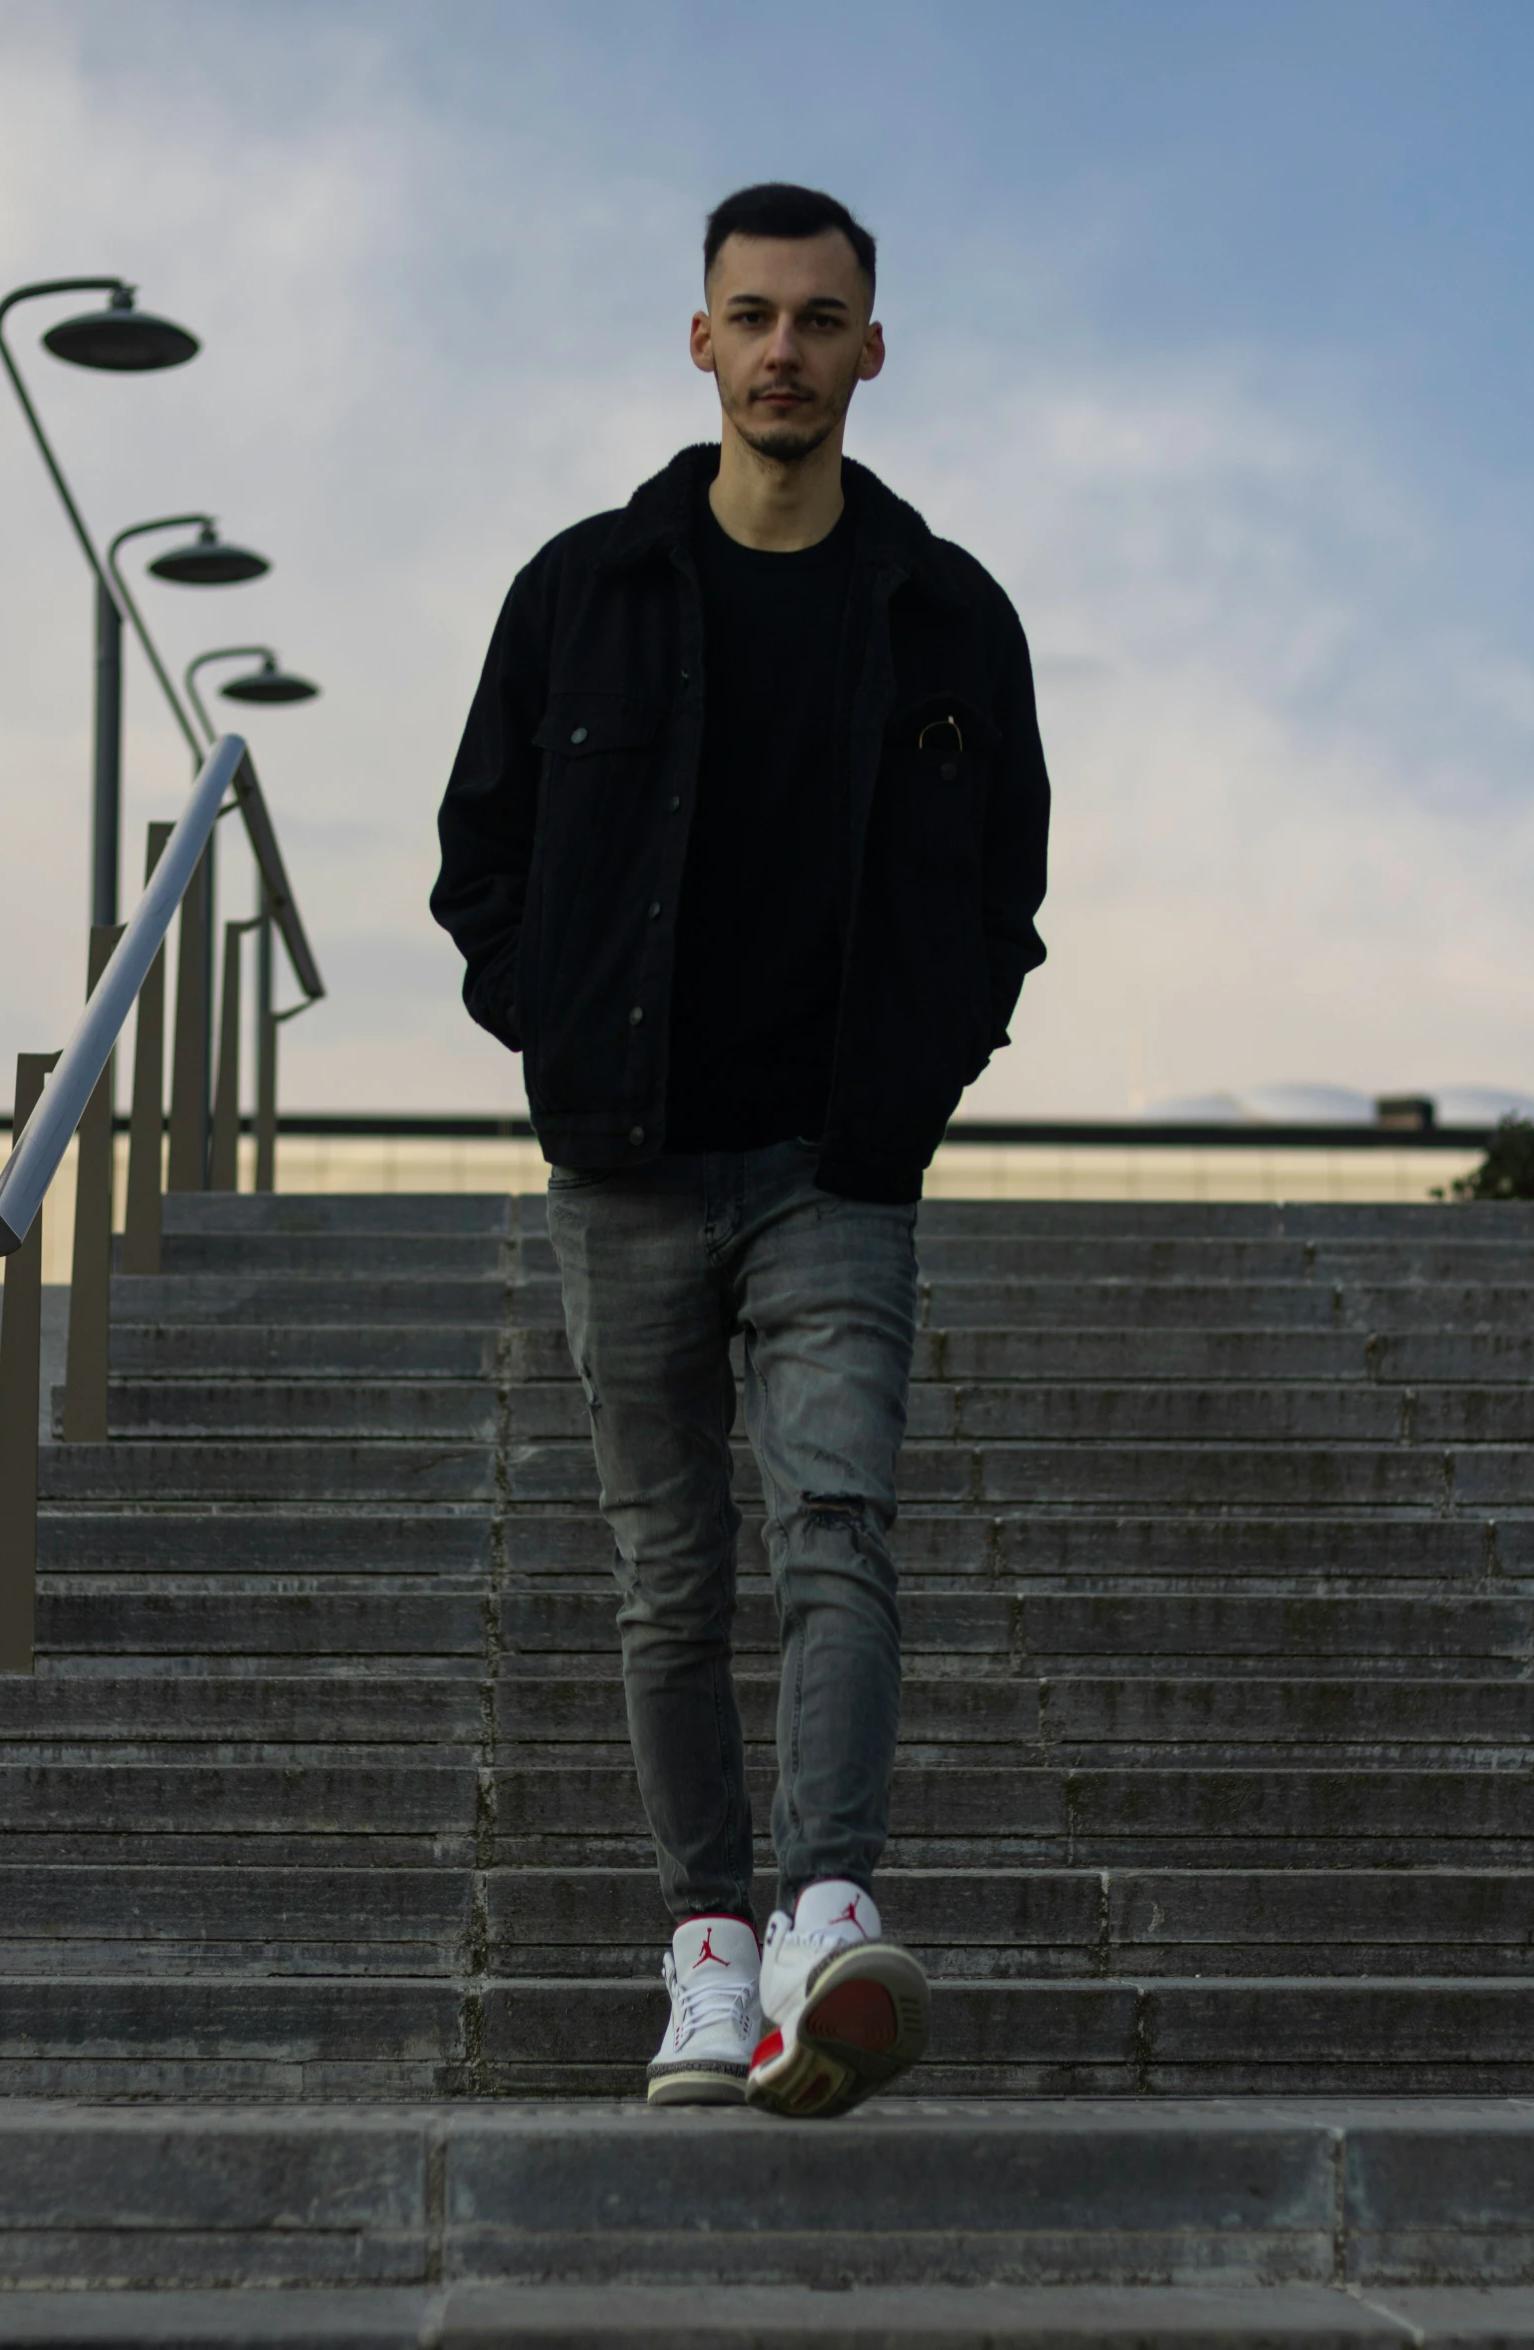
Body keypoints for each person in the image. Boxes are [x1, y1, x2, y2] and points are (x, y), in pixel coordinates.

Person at [432, 181, 1050, 2117]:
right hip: (627, 1159)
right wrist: (557, 1031)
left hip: (834, 1163)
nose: (786, 348)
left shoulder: (948, 612)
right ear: (698, 340)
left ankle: (823, 1906)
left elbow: (1006, 888)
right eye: (754, 314)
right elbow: (481, 861)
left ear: (876, 348)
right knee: (660, 1575)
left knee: (837, 1525)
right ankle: (709, 1945)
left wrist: (918, 1079)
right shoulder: (584, 592)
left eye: (822, 317)